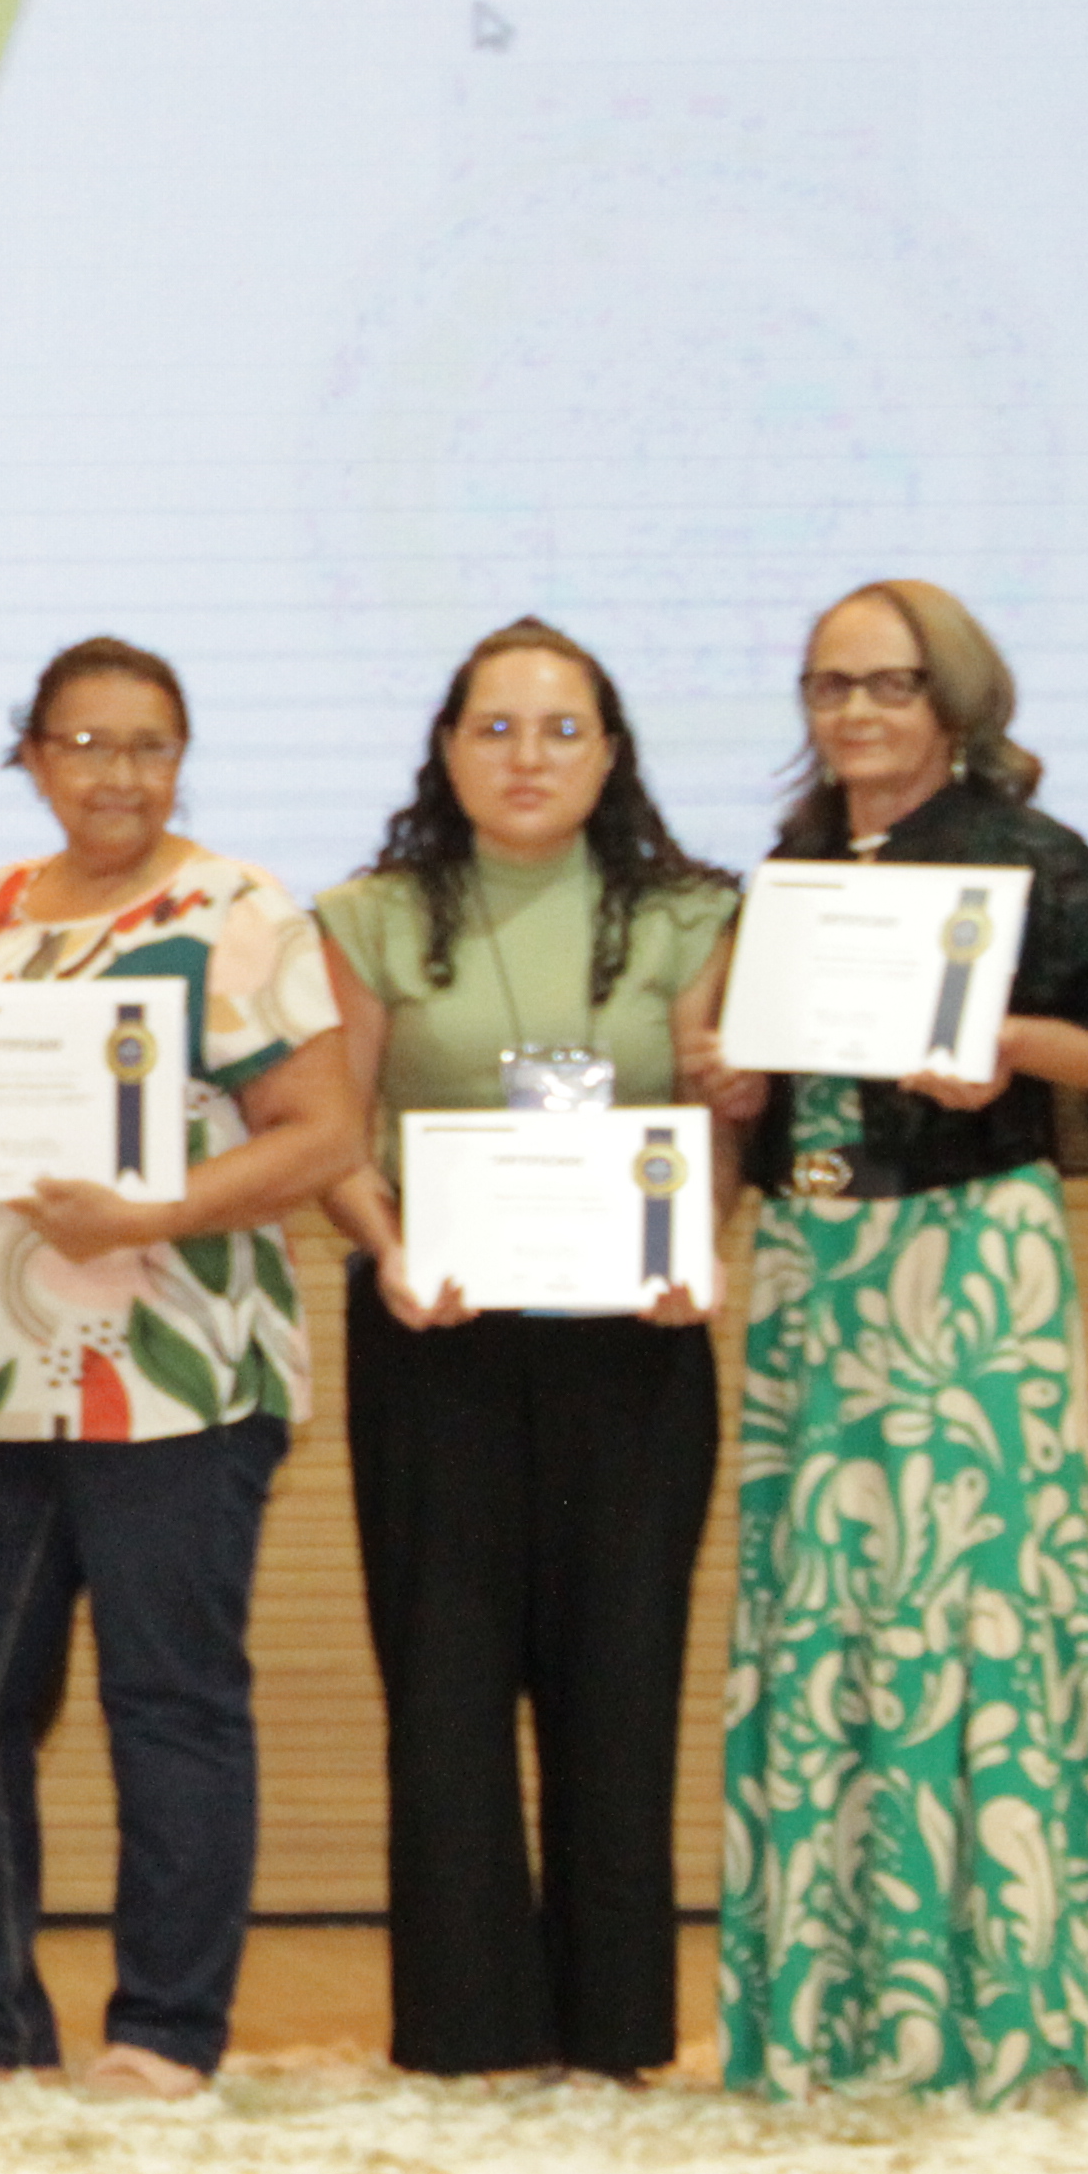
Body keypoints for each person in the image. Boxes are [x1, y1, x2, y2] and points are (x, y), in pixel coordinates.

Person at [689, 579, 1088, 2104]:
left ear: (953, 703)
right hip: (815, 1274)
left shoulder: (1032, 857)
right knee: (829, 1621)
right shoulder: (791, 872)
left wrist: (1002, 1046)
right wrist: (735, 1084)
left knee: (973, 1617)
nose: (853, 712)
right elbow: (776, 1086)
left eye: (887, 685)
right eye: (829, 685)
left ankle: (1009, 2016)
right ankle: (839, 2017)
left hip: (969, 1268)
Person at [0, 638, 361, 2095]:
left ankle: (165, 2033)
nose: (118, 775)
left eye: (149, 746)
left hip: (180, 1367)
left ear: (182, 760)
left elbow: (324, 1133)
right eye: (85, 744)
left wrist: (152, 1214)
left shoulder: (239, 911)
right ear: (33, 756)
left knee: (168, 1700)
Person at [313, 620, 738, 2080]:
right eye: (494, 728)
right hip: (437, 1343)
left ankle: (615, 2024)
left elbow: (714, 1121)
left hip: (633, 1349)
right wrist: (386, 1249)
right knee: (445, 1686)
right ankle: (467, 2027)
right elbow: (333, 1133)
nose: (527, 757)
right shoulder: (367, 917)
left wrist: (699, 1251)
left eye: (562, 729)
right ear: (446, 749)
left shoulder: (688, 915)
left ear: (611, 753)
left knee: (621, 1680)